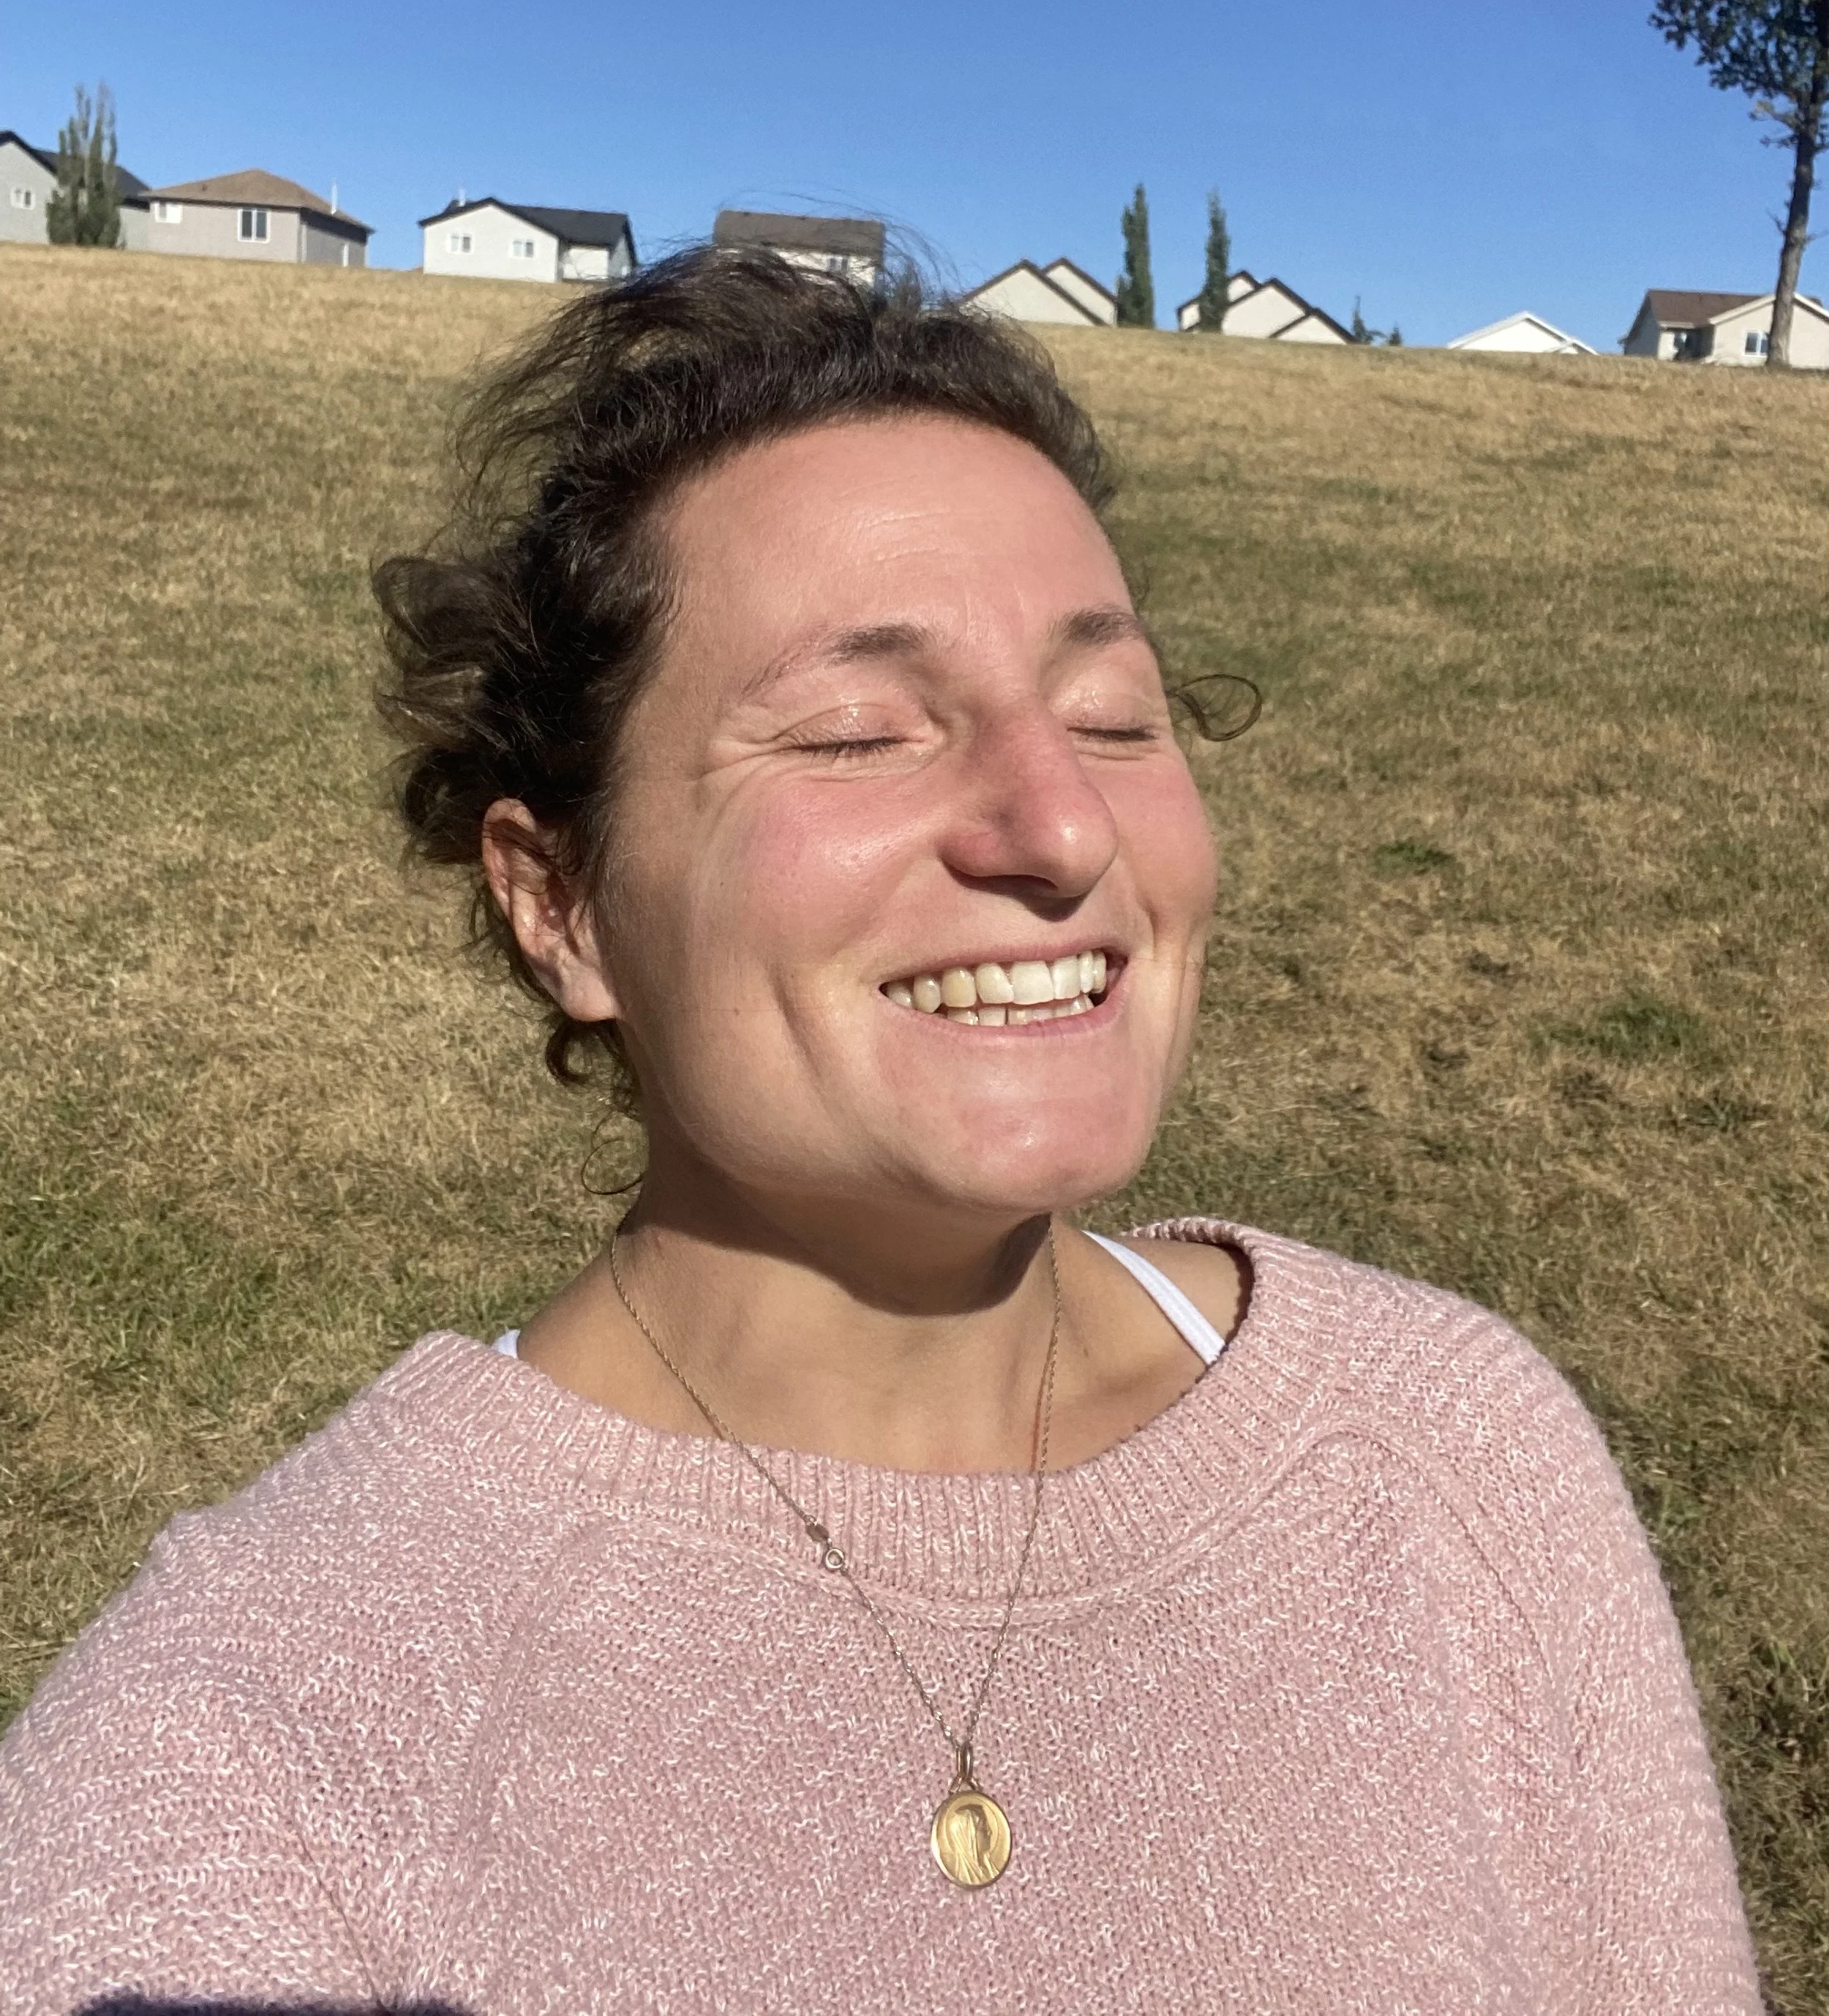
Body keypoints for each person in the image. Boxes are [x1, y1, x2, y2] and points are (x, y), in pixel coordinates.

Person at [0, 249, 1761, 2014]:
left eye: (1112, 717)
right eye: (855, 734)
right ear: (561, 904)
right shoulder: (250, 1735)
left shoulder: (1456, 1453)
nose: (1057, 823)